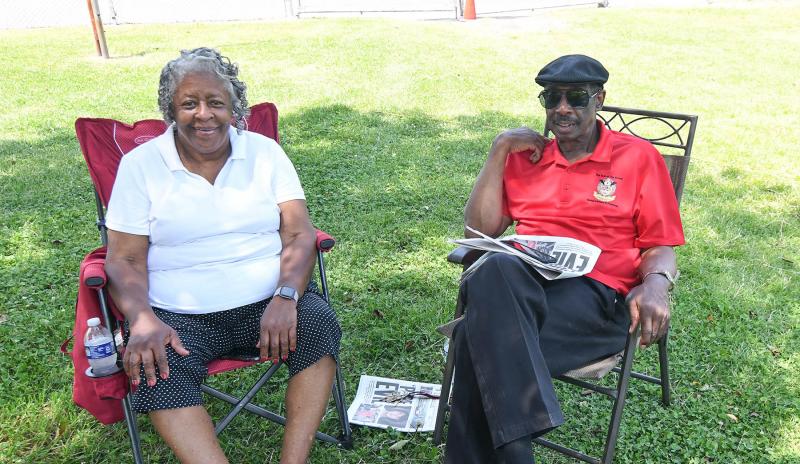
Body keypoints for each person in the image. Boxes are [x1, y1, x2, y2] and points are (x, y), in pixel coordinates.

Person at [104, 47, 341, 464]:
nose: (204, 114)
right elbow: (123, 259)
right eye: (189, 103)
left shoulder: (264, 154)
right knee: (157, 367)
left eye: (216, 102)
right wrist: (142, 319)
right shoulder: (141, 166)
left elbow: (299, 233)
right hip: (177, 315)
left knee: (318, 324)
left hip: (269, 307)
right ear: (170, 110)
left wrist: (286, 296)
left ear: (234, 107)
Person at [444, 54, 685, 463]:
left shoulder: (637, 158)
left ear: (600, 99)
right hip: (522, 290)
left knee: (474, 337)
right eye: (551, 98)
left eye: (575, 98)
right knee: (497, 266)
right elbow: (477, 233)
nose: (562, 109)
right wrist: (498, 150)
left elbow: (660, 244)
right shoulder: (525, 158)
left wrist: (657, 284)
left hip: (595, 301)